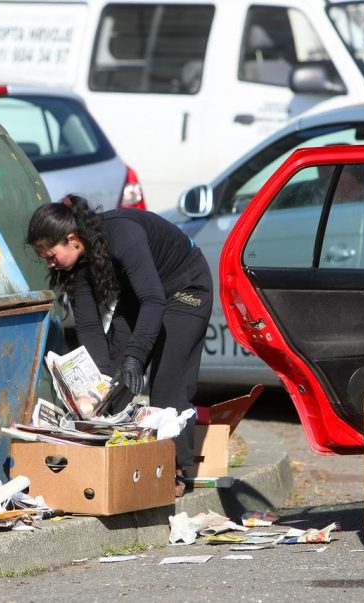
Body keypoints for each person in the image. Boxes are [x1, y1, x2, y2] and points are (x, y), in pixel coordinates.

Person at [27, 194, 213, 496]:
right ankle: (109, 458)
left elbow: (154, 300)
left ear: (72, 239)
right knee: (115, 377)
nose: (51, 264)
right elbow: (89, 327)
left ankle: (173, 470)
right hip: (142, 293)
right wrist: (99, 383)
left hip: (185, 287)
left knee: (168, 382)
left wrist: (136, 356)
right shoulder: (75, 265)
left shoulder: (123, 234)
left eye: (51, 256)